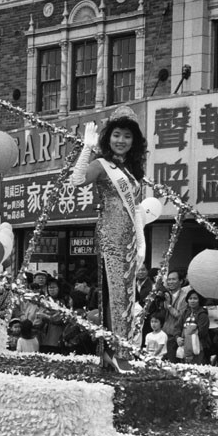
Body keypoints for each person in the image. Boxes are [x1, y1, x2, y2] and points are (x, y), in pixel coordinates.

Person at [70, 107, 147, 348]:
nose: (121, 141)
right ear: (108, 137)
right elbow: (77, 180)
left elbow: (136, 210)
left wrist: (141, 242)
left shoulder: (132, 171)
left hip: (130, 241)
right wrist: (87, 149)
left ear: (133, 141)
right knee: (113, 293)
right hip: (110, 239)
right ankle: (115, 351)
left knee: (126, 295)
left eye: (127, 136)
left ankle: (120, 349)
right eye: (116, 135)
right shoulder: (103, 165)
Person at [161, 270, 191, 362]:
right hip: (162, 334)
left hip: (175, 335)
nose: (170, 282)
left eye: (173, 279)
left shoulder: (185, 296)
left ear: (181, 281)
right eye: (169, 280)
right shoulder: (165, 294)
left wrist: (169, 306)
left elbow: (180, 315)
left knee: (173, 364)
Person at [37, 278, 72, 354]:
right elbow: (39, 314)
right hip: (44, 336)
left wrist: (47, 316)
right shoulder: (45, 300)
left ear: (59, 288)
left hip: (58, 336)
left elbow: (62, 318)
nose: (51, 290)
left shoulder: (65, 300)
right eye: (49, 287)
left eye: (53, 287)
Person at [177, 289, 209, 364]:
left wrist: (189, 336)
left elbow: (202, 333)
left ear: (199, 300)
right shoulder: (185, 313)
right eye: (190, 298)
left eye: (195, 298)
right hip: (184, 347)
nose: (192, 301)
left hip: (198, 347)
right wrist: (177, 337)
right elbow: (177, 327)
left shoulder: (203, 315)